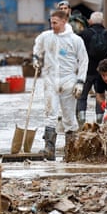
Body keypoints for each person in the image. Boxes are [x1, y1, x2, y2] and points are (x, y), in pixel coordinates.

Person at [33, 9, 88, 160]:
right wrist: (36, 59)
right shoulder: (46, 36)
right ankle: (49, 150)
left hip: (68, 81)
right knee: (50, 114)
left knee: (69, 117)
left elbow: (84, 61)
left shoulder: (75, 40)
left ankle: (71, 151)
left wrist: (80, 82)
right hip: (50, 80)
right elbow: (37, 47)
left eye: (55, 22)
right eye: (51, 22)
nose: (52, 25)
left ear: (64, 22)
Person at [78, 11, 107, 124]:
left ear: (90, 21)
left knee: (82, 95)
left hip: (86, 69)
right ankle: (99, 119)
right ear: (102, 22)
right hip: (102, 72)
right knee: (100, 94)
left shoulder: (84, 34)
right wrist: (106, 66)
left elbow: (77, 52)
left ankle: (81, 118)